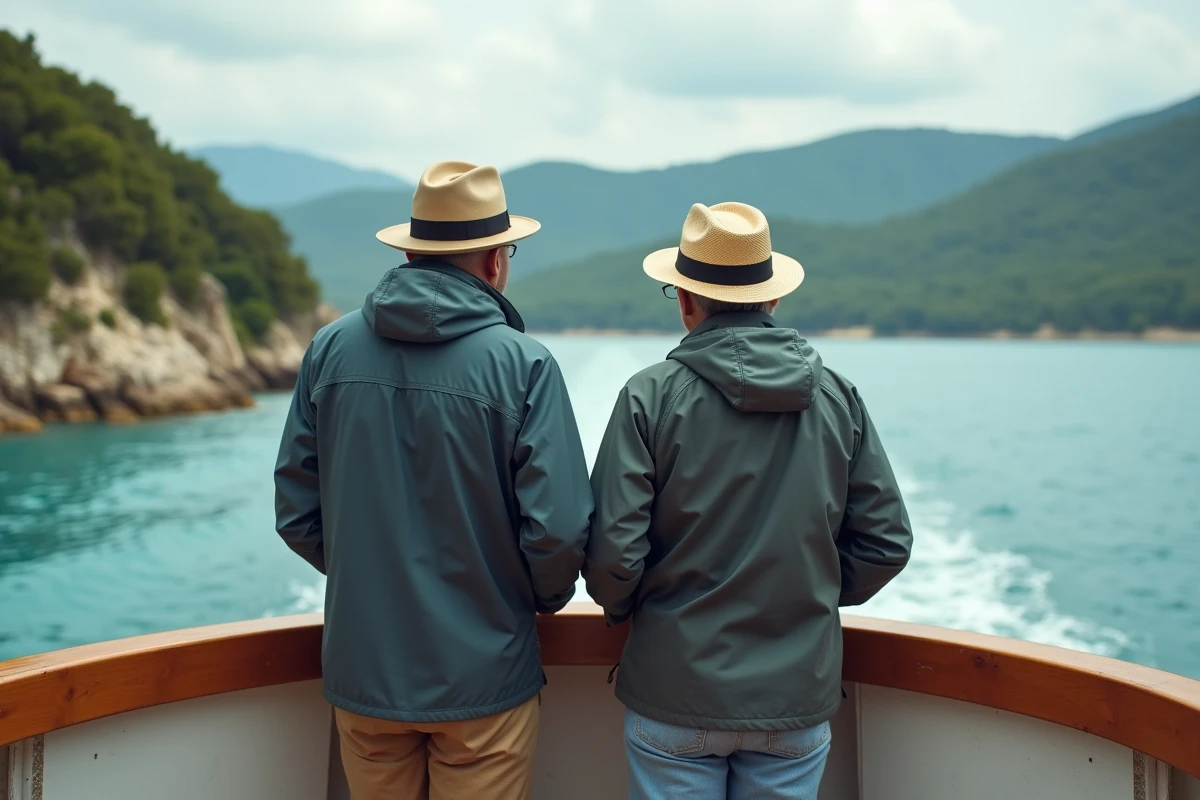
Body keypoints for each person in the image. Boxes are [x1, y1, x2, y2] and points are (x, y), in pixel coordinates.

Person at [274, 161, 593, 800]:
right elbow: (558, 530)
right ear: (496, 261)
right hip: (486, 675)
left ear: (413, 250)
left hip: (364, 671)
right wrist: (526, 600)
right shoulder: (525, 366)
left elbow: (296, 511)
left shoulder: (329, 350)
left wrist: (375, 585)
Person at [584, 201, 913, 799]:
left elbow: (612, 557)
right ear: (773, 297)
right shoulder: (839, 396)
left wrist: (636, 607)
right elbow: (887, 543)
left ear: (685, 301)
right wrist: (806, 595)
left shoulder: (650, 396)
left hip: (674, 688)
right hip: (794, 694)